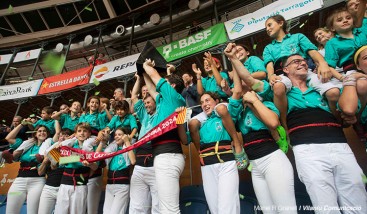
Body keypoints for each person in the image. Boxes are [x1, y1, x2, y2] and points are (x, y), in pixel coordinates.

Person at [283, 54, 367, 213]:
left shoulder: (324, 87)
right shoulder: (281, 91)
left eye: (303, 61)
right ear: (286, 69)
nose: (302, 63)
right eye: (295, 61)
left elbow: (349, 109)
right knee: (325, 206)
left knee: (358, 197)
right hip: (307, 149)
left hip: (340, 145)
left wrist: (350, 78)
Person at [225, 43, 296, 213]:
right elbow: (234, 94)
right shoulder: (238, 107)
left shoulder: (265, 100)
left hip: (272, 160)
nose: (240, 85)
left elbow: (273, 123)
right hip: (255, 166)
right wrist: (232, 59)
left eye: (244, 83)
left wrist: (254, 102)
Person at [263, 15, 332, 129]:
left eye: (269, 25)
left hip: (304, 71)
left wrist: (323, 64)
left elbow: (312, 52)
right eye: (266, 27)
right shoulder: (268, 48)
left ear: (281, 23)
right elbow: (269, 65)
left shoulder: (298, 37)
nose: (267, 29)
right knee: (278, 87)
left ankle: (337, 119)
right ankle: (284, 124)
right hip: (283, 74)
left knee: (332, 93)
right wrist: (271, 75)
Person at [140, 59, 186, 213]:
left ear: (171, 87)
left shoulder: (174, 97)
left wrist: (148, 67)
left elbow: (155, 79)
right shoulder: (163, 101)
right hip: (165, 156)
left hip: (168, 156)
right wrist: (142, 71)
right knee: (165, 207)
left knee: (169, 209)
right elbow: (152, 87)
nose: (161, 86)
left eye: (164, 83)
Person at [130, 74, 159, 214]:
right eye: (145, 103)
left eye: (149, 102)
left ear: (156, 102)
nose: (146, 105)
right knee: (136, 206)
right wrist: (138, 79)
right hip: (140, 163)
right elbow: (134, 97)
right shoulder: (143, 115)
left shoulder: (161, 112)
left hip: (155, 162)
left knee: (157, 205)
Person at [5, 125, 51, 214]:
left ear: (48, 134)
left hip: (37, 182)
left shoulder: (49, 144)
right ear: (35, 134)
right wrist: (22, 124)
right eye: (39, 131)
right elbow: (9, 138)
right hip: (19, 181)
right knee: (10, 211)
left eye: (44, 131)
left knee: (32, 212)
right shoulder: (26, 144)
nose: (42, 132)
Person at [54, 123, 98, 214]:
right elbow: (59, 162)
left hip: (81, 184)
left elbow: (95, 166)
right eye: (79, 131)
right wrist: (79, 157)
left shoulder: (93, 148)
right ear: (75, 134)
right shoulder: (68, 145)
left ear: (89, 134)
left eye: (85, 131)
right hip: (65, 182)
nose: (82, 133)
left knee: (78, 212)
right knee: (60, 211)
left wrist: (89, 164)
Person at [96, 127, 136, 214]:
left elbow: (133, 161)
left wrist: (127, 141)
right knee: (106, 212)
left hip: (122, 186)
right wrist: (102, 142)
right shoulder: (111, 149)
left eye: (120, 135)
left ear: (125, 136)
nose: (117, 137)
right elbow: (96, 156)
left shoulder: (129, 148)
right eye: (115, 135)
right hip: (110, 185)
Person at [38, 121, 71, 214]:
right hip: (49, 188)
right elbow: (41, 172)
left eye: (65, 135)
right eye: (60, 135)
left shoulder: (74, 151)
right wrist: (45, 161)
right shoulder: (51, 149)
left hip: (64, 188)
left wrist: (54, 158)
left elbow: (76, 159)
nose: (62, 137)